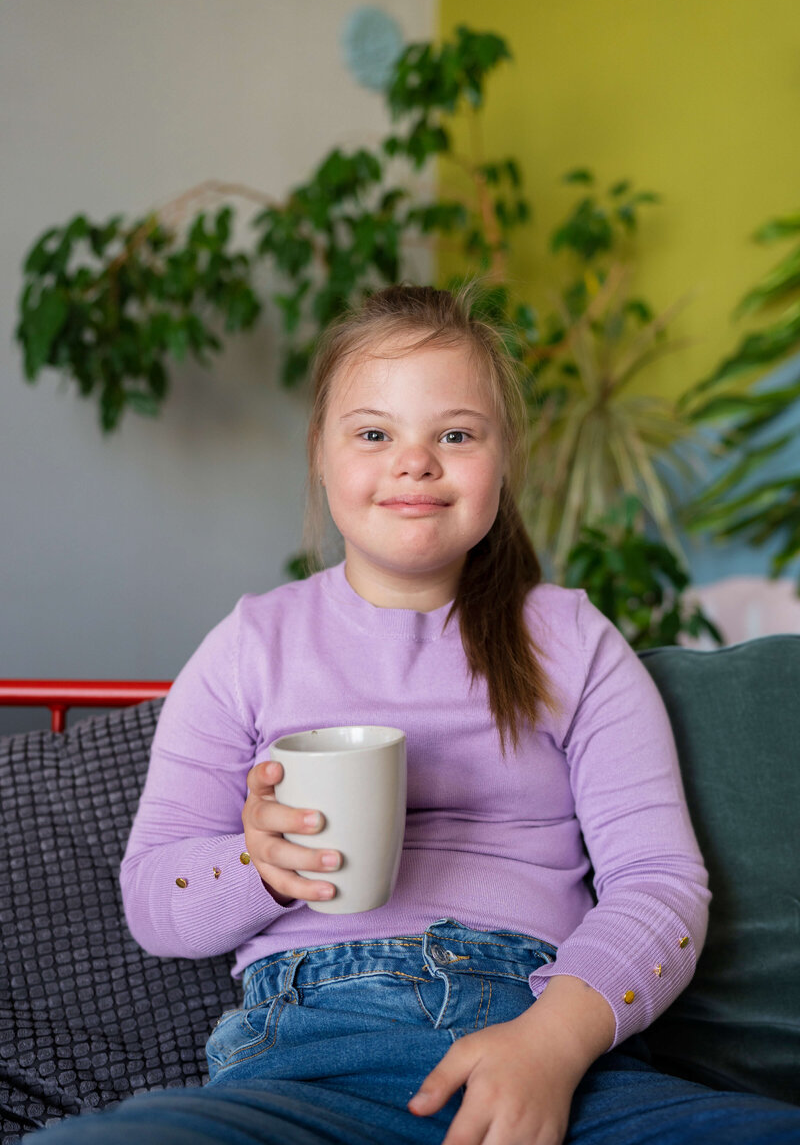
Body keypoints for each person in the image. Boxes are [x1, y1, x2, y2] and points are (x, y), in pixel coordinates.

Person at [28, 283, 800, 1145]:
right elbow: (152, 899)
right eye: (373, 433)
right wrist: (259, 863)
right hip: (304, 1061)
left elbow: (660, 886)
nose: (415, 461)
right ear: (322, 456)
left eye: (457, 434)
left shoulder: (574, 641)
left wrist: (550, 1045)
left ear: (502, 461)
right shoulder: (250, 645)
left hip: (540, 1042)